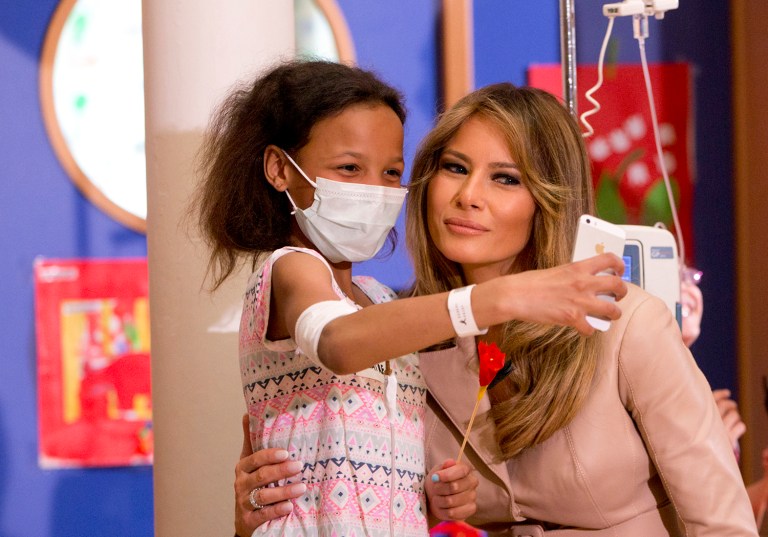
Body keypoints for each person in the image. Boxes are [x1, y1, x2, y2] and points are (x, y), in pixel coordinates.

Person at [234, 82, 758, 536]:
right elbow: (361, 491)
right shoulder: (401, 330)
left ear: (549, 199)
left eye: (505, 178)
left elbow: (721, 521)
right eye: (454, 168)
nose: (468, 196)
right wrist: (255, 513)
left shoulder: (627, 325)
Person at [196, 61, 627, 537]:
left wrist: (431, 498)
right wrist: (496, 298)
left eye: (391, 172)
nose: (374, 190)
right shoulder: (290, 268)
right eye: (349, 168)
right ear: (280, 169)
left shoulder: (382, 300)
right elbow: (337, 342)